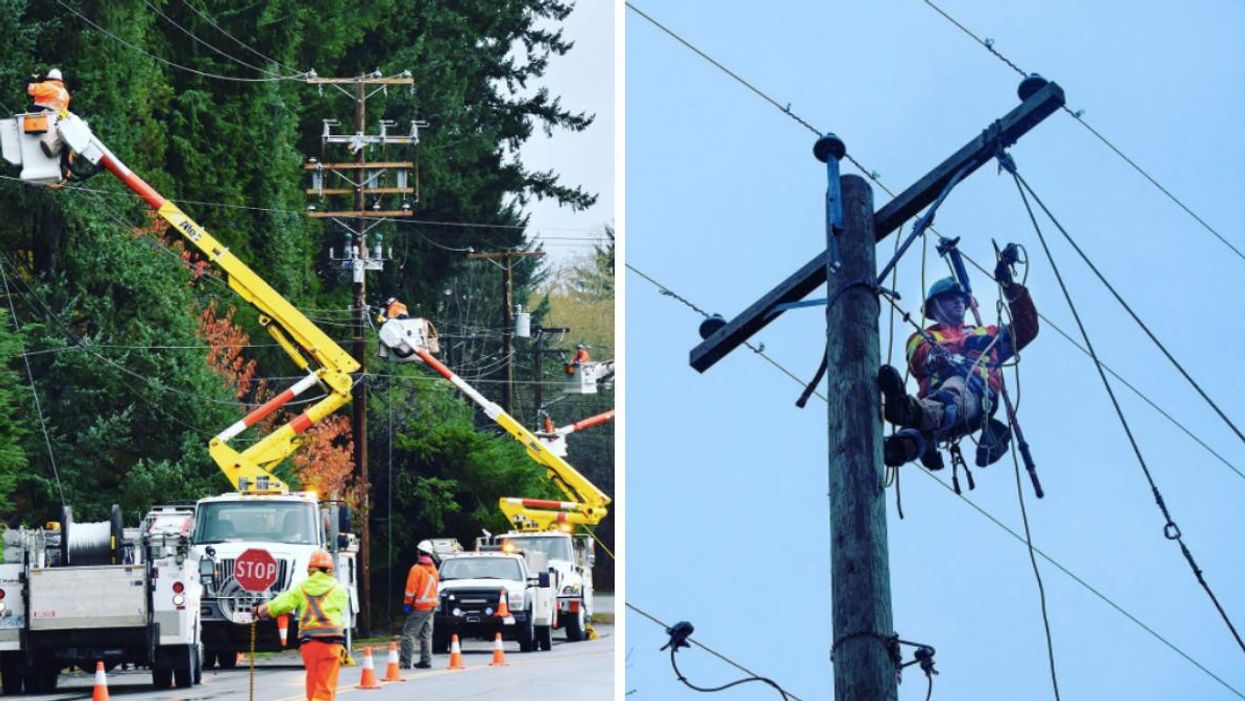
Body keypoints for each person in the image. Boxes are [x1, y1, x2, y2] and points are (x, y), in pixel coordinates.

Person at [879, 264, 1038, 468]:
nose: (958, 301)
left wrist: (1010, 288)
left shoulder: (985, 333)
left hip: (976, 397)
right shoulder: (923, 337)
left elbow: (1027, 328)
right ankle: (895, 449)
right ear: (934, 306)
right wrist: (951, 349)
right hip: (938, 404)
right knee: (918, 433)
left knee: (952, 392)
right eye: (950, 297)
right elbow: (919, 357)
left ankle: (907, 410)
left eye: (961, 298)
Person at [257, 550, 348, 701]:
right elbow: (341, 606)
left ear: (310, 569)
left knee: (312, 682)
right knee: (325, 687)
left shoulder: (302, 587)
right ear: (330, 569)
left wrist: (261, 611)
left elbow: (281, 604)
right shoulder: (338, 588)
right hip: (331, 643)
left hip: (309, 643)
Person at [399, 554, 439, 669]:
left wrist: (407, 603)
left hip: (420, 606)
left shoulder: (416, 569)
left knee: (408, 634)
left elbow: (411, 589)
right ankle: (426, 660)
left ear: (419, 553)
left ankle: (405, 661)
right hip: (432, 606)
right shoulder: (433, 569)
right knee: (426, 635)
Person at [24, 68, 70, 158]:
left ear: (49, 78)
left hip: (39, 120)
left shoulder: (48, 86)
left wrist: (32, 78)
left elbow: (30, 89)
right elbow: (64, 110)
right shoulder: (65, 94)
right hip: (56, 124)